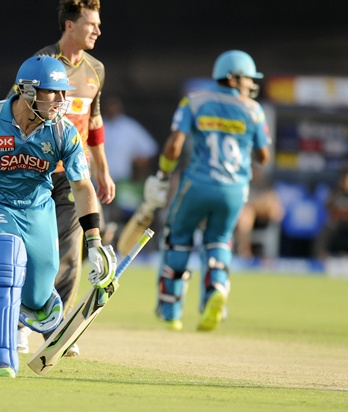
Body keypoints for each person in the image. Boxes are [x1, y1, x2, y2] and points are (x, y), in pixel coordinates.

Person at [0, 56, 117, 378]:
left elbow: (83, 187)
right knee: (4, 253)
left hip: (37, 208)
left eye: (63, 93)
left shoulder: (64, 131)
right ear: (28, 92)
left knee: (39, 299)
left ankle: (39, 309)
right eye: (53, 93)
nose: (61, 100)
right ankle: (0, 358)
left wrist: (94, 241)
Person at [143, 50, 271, 332]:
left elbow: (175, 145)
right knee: (220, 241)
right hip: (235, 189)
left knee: (178, 238)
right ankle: (215, 293)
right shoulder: (254, 110)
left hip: (197, 185)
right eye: (249, 78)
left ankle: (171, 310)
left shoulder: (195, 100)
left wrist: (163, 175)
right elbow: (263, 156)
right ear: (235, 77)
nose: (251, 84)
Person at [15, 0, 116, 357]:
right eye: (91, 23)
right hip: (37, 169)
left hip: (75, 172)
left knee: (71, 252)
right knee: (36, 251)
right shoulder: (41, 64)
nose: (98, 30)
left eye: (98, 24)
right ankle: (18, 324)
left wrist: (101, 169)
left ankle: (53, 328)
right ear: (69, 26)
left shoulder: (96, 70)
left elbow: (94, 122)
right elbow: (17, 114)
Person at [103, 96, 158, 227]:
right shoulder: (100, 124)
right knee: (102, 216)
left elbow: (149, 148)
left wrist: (138, 164)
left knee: (121, 217)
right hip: (98, 181)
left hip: (123, 181)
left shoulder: (129, 127)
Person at [314, 168, 348, 258]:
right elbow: (329, 207)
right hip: (338, 221)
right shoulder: (336, 191)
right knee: (328, 226)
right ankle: (320, 257)